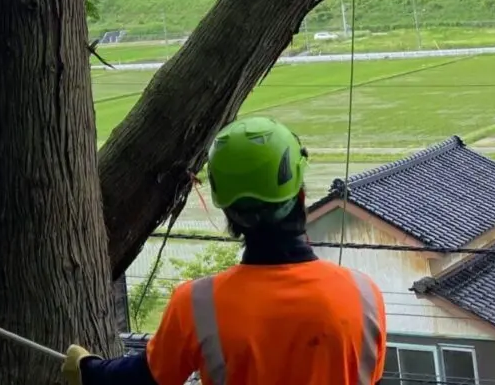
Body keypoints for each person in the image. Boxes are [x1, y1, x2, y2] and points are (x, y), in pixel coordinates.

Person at [61, 116, 388, 385]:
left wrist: (88, 369)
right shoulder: (365, 296)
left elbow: (144, 379)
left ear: (228, 212)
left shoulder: (198, 304)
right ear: (300, 196)